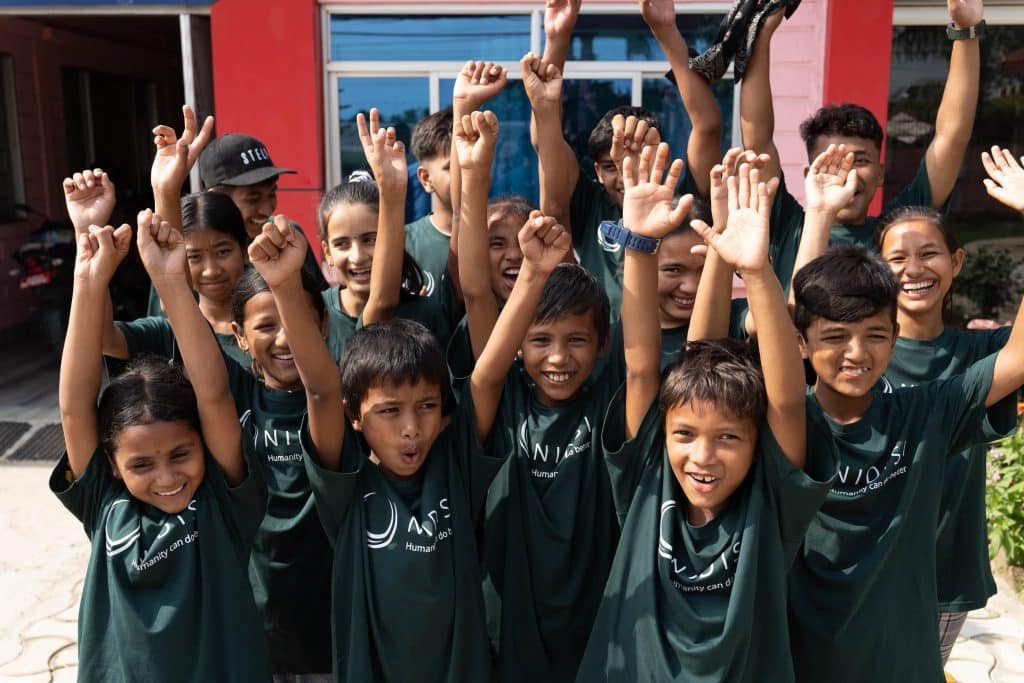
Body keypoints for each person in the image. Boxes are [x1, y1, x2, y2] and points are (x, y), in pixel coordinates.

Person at [249, 161, 572, 680]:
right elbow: (321, 389)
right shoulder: (346, 481)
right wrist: (287, 286)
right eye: (389, 412)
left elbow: (487, 378)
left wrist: (533, 274)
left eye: (425, 407)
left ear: (445, 414)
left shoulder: (456, 463)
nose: (410, 429)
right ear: (357, 419)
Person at [578, 147, 835, 680]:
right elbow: (646, 367)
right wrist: (641, 246)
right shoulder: (649, 474)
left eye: (728, 439)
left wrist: (758, 271)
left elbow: (787, 397)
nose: (703, 456)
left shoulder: (772, 498)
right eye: (686, 434)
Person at [788, 240, 1024, 682]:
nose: (856, 353)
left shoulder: (925, 413)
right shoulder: (785, 424)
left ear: (895, 338)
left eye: (875, 335)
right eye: (835, 336)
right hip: (803, 662)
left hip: (904, 664)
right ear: (801, 342)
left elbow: (1018, 357)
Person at [53, 208, 271, 682]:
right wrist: (88, 280)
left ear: (204, 445)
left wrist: (173, 282)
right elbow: (73, 407)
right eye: (142, 464)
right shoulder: (105, 505)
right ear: (112, 465)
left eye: (180, 454)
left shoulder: (224, 501)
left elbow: (212, 392)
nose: (167, 477)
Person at [874, 145, 1024, 666]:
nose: (914, 268)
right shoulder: (854, 354)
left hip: (940, 575)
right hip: (861, 569)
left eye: (929, 253)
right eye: (897, 258)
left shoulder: (980, 353)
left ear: (956, 261)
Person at [740, 0, 984, 292]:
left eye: (860, 161)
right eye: (832, 163)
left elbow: (951, 138)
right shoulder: (788, 223)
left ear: (880, 173)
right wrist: (761, 34)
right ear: (808, 175)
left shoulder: (895, 233)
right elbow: (758, 140)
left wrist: (965, 30)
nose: (848, 175)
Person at [525, 0, 724, 321]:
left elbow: (708, 127)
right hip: (606, 349)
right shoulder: (590, 205)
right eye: (610, 166)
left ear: (662, 158)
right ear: (596, 172)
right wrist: (557, 41)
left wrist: (666, 30)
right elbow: (544, 143)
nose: (624, 176)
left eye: (637, 161)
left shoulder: (686, 203)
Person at [319, 110, 457, 361]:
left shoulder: (427, 313)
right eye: (342, 244)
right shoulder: (315, 312)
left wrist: (392, 190)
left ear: (393, 239)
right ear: (327, 252)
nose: (358, 256)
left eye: (370, 239)